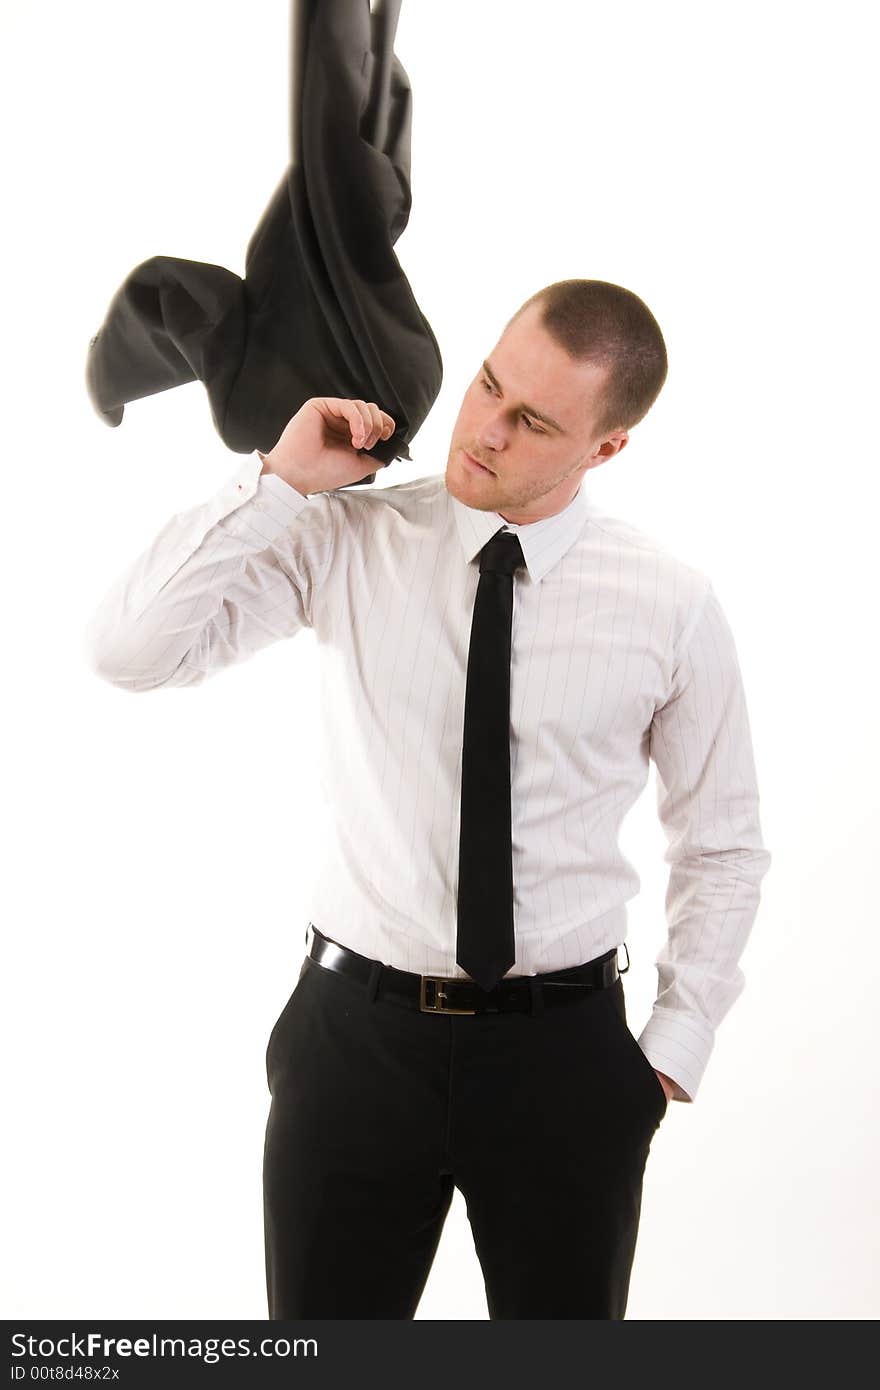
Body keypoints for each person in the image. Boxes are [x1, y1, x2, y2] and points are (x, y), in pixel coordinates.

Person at [84, 278, 771, 1319]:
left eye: (533, 420)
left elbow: (720, 840)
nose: (483, 430)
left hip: (561, 1054)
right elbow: (128, 652)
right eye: (489, 383)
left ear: (606, 448)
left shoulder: (668, 603)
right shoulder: (351, 537)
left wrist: (672, 1046)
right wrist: (277, 479)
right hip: (352, 1042)